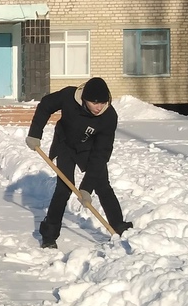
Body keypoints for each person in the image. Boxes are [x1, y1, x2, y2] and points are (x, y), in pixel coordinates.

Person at [25, 77, 133, 248]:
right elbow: (46, 105)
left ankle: (118, 226)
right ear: (84, 99)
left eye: (102, 103)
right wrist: (34, 133)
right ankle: (49, 235)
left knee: (102, 185)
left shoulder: (109, 117)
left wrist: (86, 188)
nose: (98, 107)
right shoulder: (69, 96)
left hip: (90, 150)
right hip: (65, 145)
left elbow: (101, 154)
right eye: (94, 102)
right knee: (64, 188)